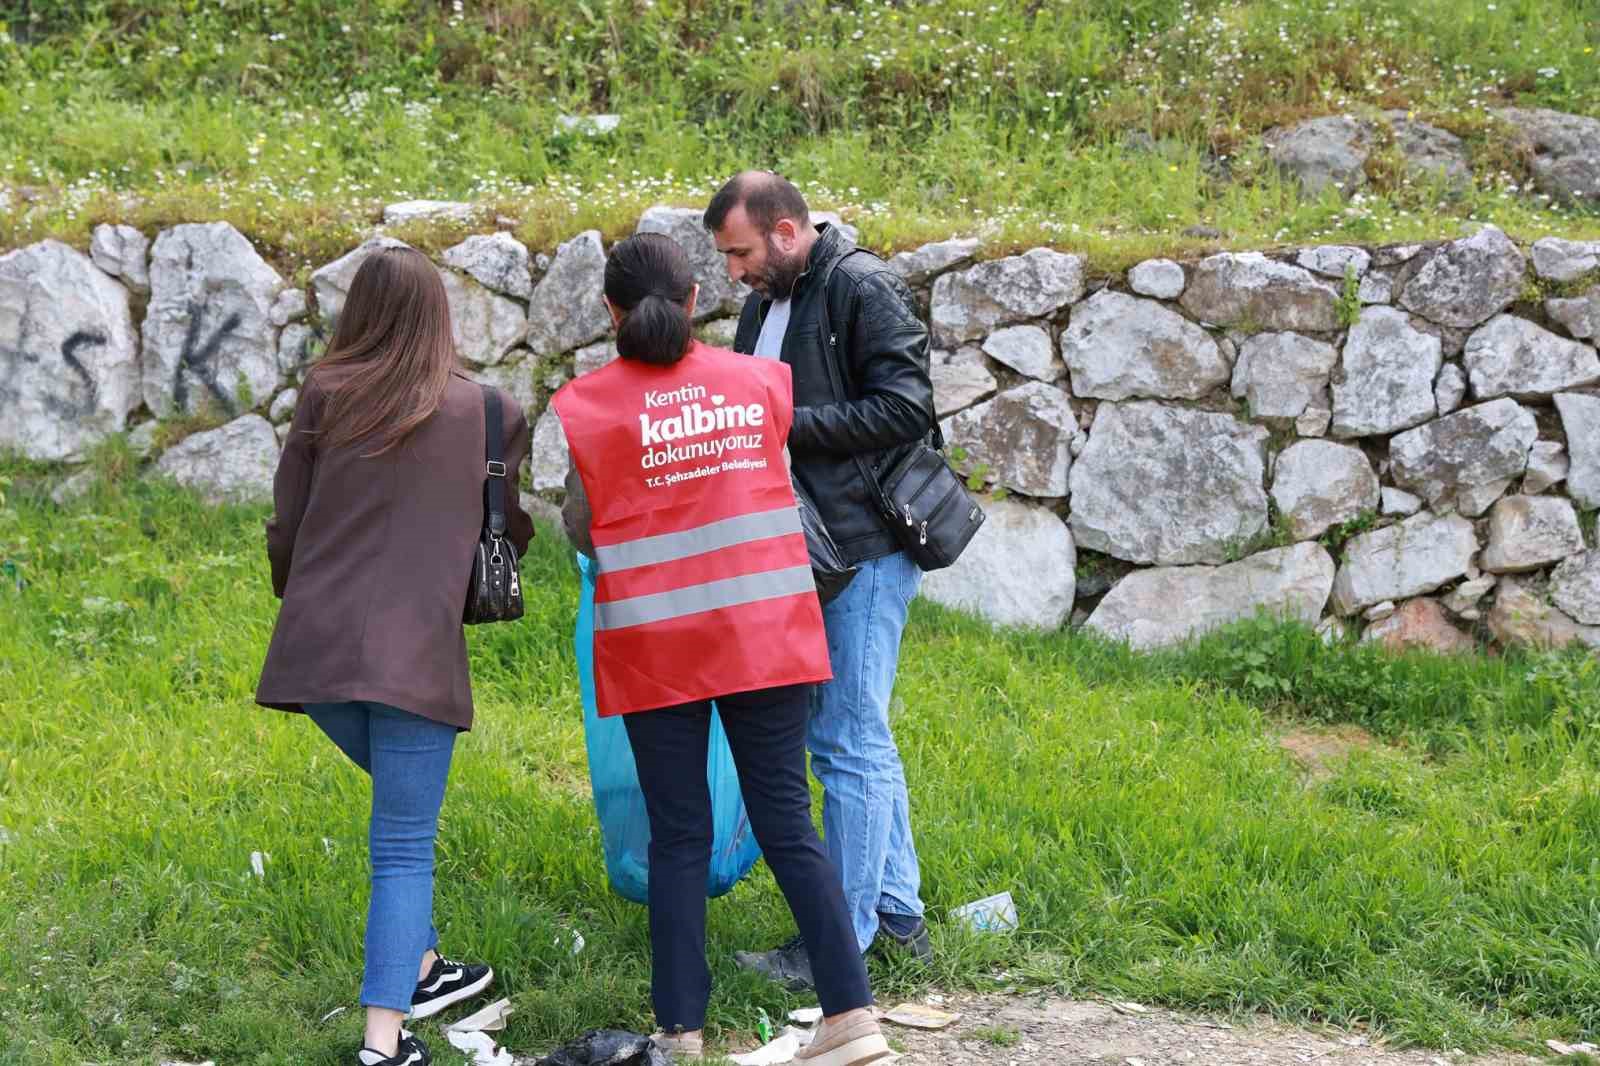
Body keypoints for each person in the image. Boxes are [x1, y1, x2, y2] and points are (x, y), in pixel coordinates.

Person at [554, 232, 892, 1066]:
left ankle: (682, 1034)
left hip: (657, 645)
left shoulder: (590, 406)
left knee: (679, 837)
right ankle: (854, 1023)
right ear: (699, 298)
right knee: (788, 823)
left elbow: (584, 524)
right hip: (765, 634)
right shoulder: (761, 384)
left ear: (609, 311)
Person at [256, 247, 533, 1066]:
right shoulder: (487, 411)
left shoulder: (325, 395)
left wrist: (305, 597)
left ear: (360, 313)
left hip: (317, 654)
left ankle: (420, 962)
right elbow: (509, 530)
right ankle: (385, 1043)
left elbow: (287, 525)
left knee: (403, 820)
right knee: (405, 842)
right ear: (439, 315)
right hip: (416, 659)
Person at [703, 172, 936, 988]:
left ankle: (843, 939)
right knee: (848, 733)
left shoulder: (860, 286)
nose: (732, 271)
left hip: (865, 548)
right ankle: (898, 915)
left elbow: (908, 407)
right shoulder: (766, 298)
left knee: (846, 740)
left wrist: (786, 425)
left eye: (739, 252)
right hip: (804, 549)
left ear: (787, 231)